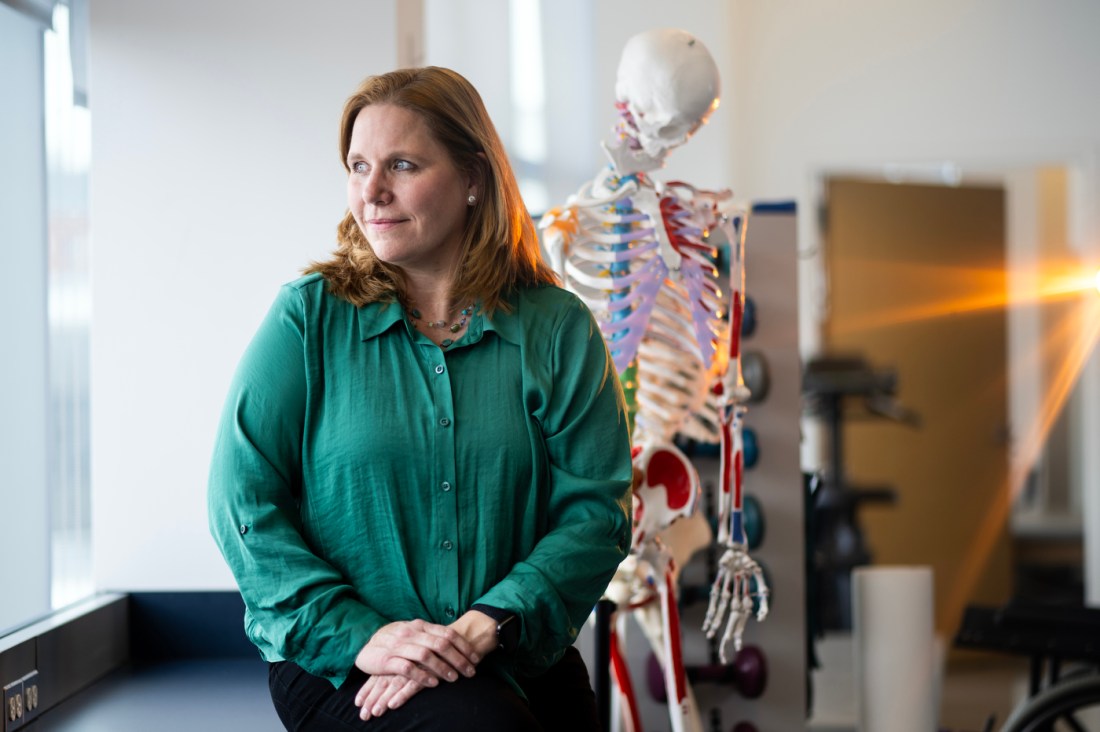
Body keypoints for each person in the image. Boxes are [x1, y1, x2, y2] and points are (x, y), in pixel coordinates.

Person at [207, 66, 633, 731]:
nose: (370, 192)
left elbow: (595, 513)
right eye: (357, 166)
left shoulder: (557, 330)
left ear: (473, 179)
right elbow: (242, 504)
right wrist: (364, 638)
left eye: (401, 165)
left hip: (516, 653)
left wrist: (485, 625)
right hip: (341, 664)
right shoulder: (307, 321)